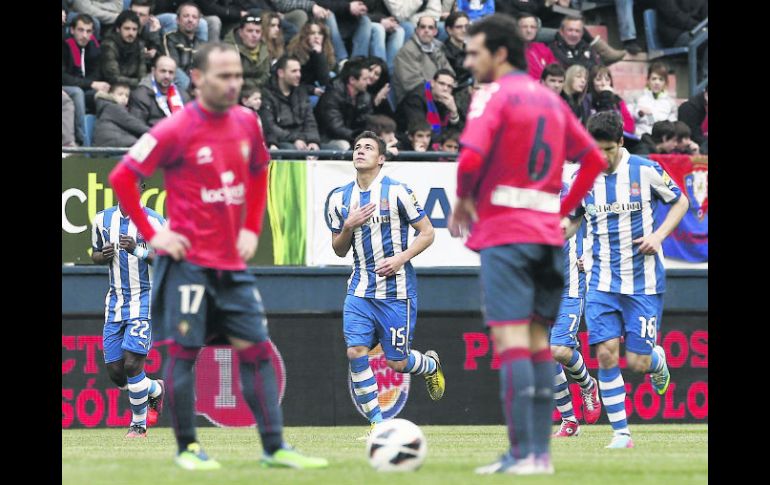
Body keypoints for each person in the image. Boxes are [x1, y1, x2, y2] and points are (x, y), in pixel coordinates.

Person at [108, 42, 328, 470]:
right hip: (188, 266)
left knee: (257, 351)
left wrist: (250, 228)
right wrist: (155, 233)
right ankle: (188, 449)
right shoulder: (176, 128)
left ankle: (274, 448)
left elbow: (261, 169)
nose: (233, 85)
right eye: (224, 76)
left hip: (233, 265)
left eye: (239, 77)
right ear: (198, 79)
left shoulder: (247, 121)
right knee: (185, 354)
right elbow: (122, 177)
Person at [447, 14, 607, 475]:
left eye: (474, 52)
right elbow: (594, 160)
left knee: (513, 341)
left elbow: (471, 154)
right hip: (547, 239)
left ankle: (521, 455)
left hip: (507, 235)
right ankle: (538, 455)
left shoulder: (492, 95)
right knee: (538, 344)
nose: (468, 59)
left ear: (499, 54)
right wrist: (564, 214)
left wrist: (463, 199)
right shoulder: (550, 100)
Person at [561, 111, 689, 449]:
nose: (600, 157)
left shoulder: (644, 169)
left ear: (620, 142)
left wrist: (659, 235)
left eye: (606, 150)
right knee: (604, 354)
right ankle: (621, 434)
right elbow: (573, 220)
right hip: (601, 280)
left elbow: (681, 201)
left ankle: (656, 361)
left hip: (642, 282)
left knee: (638, 361)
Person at [325, 130, 445, 439]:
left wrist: (400, 258)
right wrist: (348, 227)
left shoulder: (398, 192)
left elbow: (428, 232)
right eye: (357, 147)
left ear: (381, 159)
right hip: (360, 289)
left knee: (397, 362)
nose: (360, 151)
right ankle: (378, 424)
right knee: (355, 351)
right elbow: (339, 250)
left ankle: (429, 365)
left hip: (397, 291)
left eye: (368, 147)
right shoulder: (339, 198)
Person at [90, 184, 166, 439]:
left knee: (133, 363)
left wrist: (138, 250)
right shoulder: (102, 219)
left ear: (141, 189)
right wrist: (103, 255)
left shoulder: (155, 221)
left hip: (144, 300)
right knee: (116, 372)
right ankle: (155, 389)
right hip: (115, 302)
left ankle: (138, 426)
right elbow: (95, 253)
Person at [550, 163, 601, 439]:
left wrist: (590, 256)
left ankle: (587, 384)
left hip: (568, 284)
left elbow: (599, 225)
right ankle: (569, 420)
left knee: (557, 349)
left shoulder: (572, 196)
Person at [259, 55, 322, 151]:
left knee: (333, 149)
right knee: (290, 149)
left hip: (303, 139)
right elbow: (270, 127)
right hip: (281, 142)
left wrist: (313, 141)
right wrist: (295, 139)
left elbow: (310, 121)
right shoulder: (267, 94)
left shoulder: (301, 92)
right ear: (281, 73)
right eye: (294, 71)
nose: (299, 75)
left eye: (299, 71)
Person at [62, 13, 108, 145]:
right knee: (77, 92)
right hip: (67, 88)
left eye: (88, 31)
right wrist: (91, 83)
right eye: (80, 30)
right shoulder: (64, 46)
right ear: (72, 30)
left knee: (104, 95)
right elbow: (63, 77)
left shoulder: (93, 48)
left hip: (84, 87)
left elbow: (96, 74)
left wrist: (94, 84)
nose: (84, 35)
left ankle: (103, 141)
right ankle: (82, 140)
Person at [392, 15, 455, 104]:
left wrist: (446, 89)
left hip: (438, 98)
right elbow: (412, 85)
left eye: (430, 28)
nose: (426, 30)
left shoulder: (438, 49)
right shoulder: (406, 52)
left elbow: (450, 73)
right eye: (422, 27)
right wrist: (440, 91)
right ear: (417, 30)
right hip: (414, 103)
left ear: (435, 32)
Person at [314, 58, 374, 150]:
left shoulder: (365, 97)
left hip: (352, 137)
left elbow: (366, 122)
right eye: (365, 79)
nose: (368, 82)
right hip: (327, 138)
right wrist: (358, 137)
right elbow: (335, 128)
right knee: (344, 146)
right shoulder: (332, 95)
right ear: (352, 80)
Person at [395, 69, 463, 138]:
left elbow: (460, 131)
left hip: (436, 142)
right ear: (432, 83)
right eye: (442, 84)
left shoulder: (449, 100)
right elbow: (420, 130)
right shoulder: (415, 99)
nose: (445, 89)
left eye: (449, 86)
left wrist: (454, 112)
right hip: (407, 141)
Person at [129, 55, 189, 127]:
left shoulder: (183, 96)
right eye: (163, 71)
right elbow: (137, 127)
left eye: (171, 72)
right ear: (153, 71)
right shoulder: (140, 95)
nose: (167, 76)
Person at [286, 19, 336, 96]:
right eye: (312, 33)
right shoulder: (295, 53)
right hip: (300, 92)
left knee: (332, 75)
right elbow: (293, 83)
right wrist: (312, 90)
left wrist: (319, 55)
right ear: (306, 36)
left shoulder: (325, 52)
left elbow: (325, 81)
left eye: (320, 33)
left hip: (317, 88)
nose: (316, 36)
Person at [100, 10, 147, 89]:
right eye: (127, 28)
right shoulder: (109, 45)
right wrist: (139, 82)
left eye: (134, 29)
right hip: (111, 88)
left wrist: (142, 82)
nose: (131, 33)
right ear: (118, 29)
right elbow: (114, 78)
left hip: (134, 87)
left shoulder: (139, 44)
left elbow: (142, 73)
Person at [94, 82, 151, 146]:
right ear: (110, 94)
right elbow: (132, 123)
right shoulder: (112, 107)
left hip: (114, 140)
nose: (124, 98)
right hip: (110, 141)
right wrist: (154, 132)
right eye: (120, 94)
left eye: (126, 96)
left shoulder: (111, 106)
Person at [162, 2, 204, 91]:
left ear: (198, 21)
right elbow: (173, 67)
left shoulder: (202, 44)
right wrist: (192, 87)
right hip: (178, 86)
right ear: (177, 20)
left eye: (194, 17)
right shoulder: (170, 38)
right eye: (186, 16)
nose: (190, 20)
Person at [224, 15, 271, 90]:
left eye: (258, 31)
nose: (254, 35)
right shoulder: (228, 50)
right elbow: (230, 78)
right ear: (240, 32)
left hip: (259, 92)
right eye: (250, 31)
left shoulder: (264, 49)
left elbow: (266, 75)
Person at [632, 62, 677, 137]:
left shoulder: (671, 103)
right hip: (640, 138)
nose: (657, 82)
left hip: (661, 140)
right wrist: (639, 113)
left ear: (665, 83)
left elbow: (673, 125)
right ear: (648, 80)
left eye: (661, 79)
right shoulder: (638, 97)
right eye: (654, 79)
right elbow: (629, 118)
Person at [586, 65, 634, 135]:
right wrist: (605, 96)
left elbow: (630, 126)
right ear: (592, 82)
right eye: (598, 80)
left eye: (607, 79)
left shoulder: (617, 100)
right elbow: (600, 125)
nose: (603, 83)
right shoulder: (587, 100)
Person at [517, 12, 556, 81]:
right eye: (525, 27)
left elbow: (555, 70)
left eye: (533, 27)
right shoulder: (511, 49)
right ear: (517, 29)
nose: (529, 30)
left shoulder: (543, 48)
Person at [442, 11, 471, 88]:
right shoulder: (443, 53)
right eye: (459, 27)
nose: (464, 30)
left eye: (467, 26)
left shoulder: (471, 49)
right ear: (449, 30)